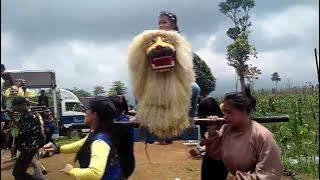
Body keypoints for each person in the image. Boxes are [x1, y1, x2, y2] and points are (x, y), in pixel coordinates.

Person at [204, 85, 283, 179]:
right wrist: (212, 132)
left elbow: (269, 174)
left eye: (229, 112)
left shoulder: (262, 136)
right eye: (224, 112)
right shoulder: (226, 130)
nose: (225, 116)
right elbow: (215, 154)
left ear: (244, 111)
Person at [43, 96, 126, 179]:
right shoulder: (98, 132)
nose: (85, 112)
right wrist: (57, 148)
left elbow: (95, 173)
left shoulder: (100, 141)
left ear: (94, 114)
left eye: (88, 109)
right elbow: (82, 144)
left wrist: (71, 171)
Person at [157, 11, 202, 145]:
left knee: (195, 88)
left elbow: (185, 63)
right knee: (138, 89)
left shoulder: (181, 41)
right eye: (159, 23)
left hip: (177, 79)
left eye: (164, 22)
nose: (161, 26)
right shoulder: (153, 39)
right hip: (157, 79)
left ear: (173, 25)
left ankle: (190, 118)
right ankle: (142, 119)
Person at [11, 96, 45, 180]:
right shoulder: (25, 115)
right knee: (18, 173)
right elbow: (21, 129)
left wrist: (16, 145)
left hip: (29, 148)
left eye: (17, 107)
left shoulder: (31, 116)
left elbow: (25, 133)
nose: (16, 109)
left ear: (23, 104)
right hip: (27, 148)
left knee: (18, 173)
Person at [196, 97, 228, 180]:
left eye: (201, 113)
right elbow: (203, 142)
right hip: (210, 158)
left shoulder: (224, 122)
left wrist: (213, 128)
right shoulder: (206, 122)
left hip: (220, 161)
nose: (199, 115)